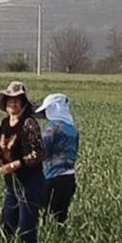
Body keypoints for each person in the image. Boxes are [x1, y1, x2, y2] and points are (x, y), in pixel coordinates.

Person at [0, 81, 46, 243]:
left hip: (29, 183)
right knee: (7, 224)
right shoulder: (5, 123)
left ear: (23, 103)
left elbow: (39, 153)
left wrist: (16, 164)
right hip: (12, 183)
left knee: (26, 227)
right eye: (10, 100)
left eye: (17, 100)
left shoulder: (29, 123)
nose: (13, 103)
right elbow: (3, 149)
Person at [36, 92, 80, 223]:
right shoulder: (72, 129)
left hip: (52, 177)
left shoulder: (53, 127)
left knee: (43, 217)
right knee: (60, 217)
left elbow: (42, 150)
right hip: (69, 177)